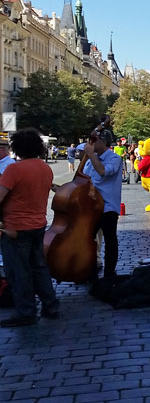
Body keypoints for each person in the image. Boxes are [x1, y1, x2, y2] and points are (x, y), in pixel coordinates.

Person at [0, 128, 59, 327]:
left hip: (15, 227)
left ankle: (26, 312)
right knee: (39, 268)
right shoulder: (45, 168)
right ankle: (51, 306)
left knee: (19, 271)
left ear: (16, 148)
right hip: (38, 224)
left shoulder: (14, 170)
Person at [78, 127, 123, 277]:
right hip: (91, 207)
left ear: (103, 142)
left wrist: (91, 155)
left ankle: (110, 272)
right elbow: (84, 181)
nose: (89, 144)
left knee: (110, 240)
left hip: (107, 206)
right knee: (87, 239)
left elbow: (103, 172)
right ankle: (90, 268)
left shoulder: (114, 158)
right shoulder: (91, 160)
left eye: (93, 141)